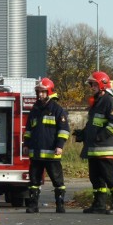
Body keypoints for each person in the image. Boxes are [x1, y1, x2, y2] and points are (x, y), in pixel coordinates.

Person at [75, 71, 113, 215]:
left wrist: (100, 137)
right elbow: (94, 124)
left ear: (102, 84)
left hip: (104, 149)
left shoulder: (109, 101)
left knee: (110, 177)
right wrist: (83, 134)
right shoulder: (97, 102)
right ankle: (99, 204)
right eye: (91, 84)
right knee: (95, 178)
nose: (92, 87)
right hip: (94, 149)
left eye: (94, 84)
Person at [22, 78, 70, 213]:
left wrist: (59, 146)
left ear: (49, 92)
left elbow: (64, 130)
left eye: (43, 92)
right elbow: (29, 129)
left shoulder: (57, 109)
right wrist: (26, 144)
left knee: (57, 181)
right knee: (33, 181)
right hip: (36, 153)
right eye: (38, 92)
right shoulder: (35, 109)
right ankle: (33, 205)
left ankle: (60, 205)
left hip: (51, 153)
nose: (40, 95)